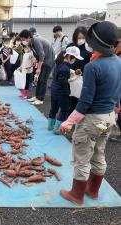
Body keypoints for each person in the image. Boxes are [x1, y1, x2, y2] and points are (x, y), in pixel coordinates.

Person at [59, 21, 121, 206]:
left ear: (95, 42)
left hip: (92, 120)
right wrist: (116, 108)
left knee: (82, 156)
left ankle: (77, 195)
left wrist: (68, 122)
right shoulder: (118, 62)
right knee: (99, 153)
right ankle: (93, 191)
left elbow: (84, 103)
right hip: (108, 118)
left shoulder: (93, 67)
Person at [48, 47, 83, 134]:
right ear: (70, 56)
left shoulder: (58, 64)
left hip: (54, 90)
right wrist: (74, 78)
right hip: (62, 92)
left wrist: (73, 73)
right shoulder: (65, 68)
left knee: (54, 109)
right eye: (74, 58)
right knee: (64, 110)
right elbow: (63, 80)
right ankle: (57, 129)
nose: (75, 60)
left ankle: (50, 126)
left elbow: (60, 75)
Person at [19, 29, 55, 105]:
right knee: (38, 79)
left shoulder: (36, 41)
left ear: (28, 37)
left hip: (48, 60)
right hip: (42, 60)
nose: (23, 41)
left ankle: (40, 98)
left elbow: (42, 55)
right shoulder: (30, 43)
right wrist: (36, 62)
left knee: (43, 80)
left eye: (24, 39)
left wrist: (39, 68)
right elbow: (36, 54)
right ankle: (37, 96)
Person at [66, 27, 92, 116]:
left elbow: (88, 66)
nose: (80, 40)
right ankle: (65, 116)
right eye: (78, 38)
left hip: (79, 79)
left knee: (76, 99)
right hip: (68, 77)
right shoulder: (70, 47)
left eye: (82, 38)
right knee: (66, 99)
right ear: (75, 37)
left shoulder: (88, 51)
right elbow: (65, 60)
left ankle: (72, 118)